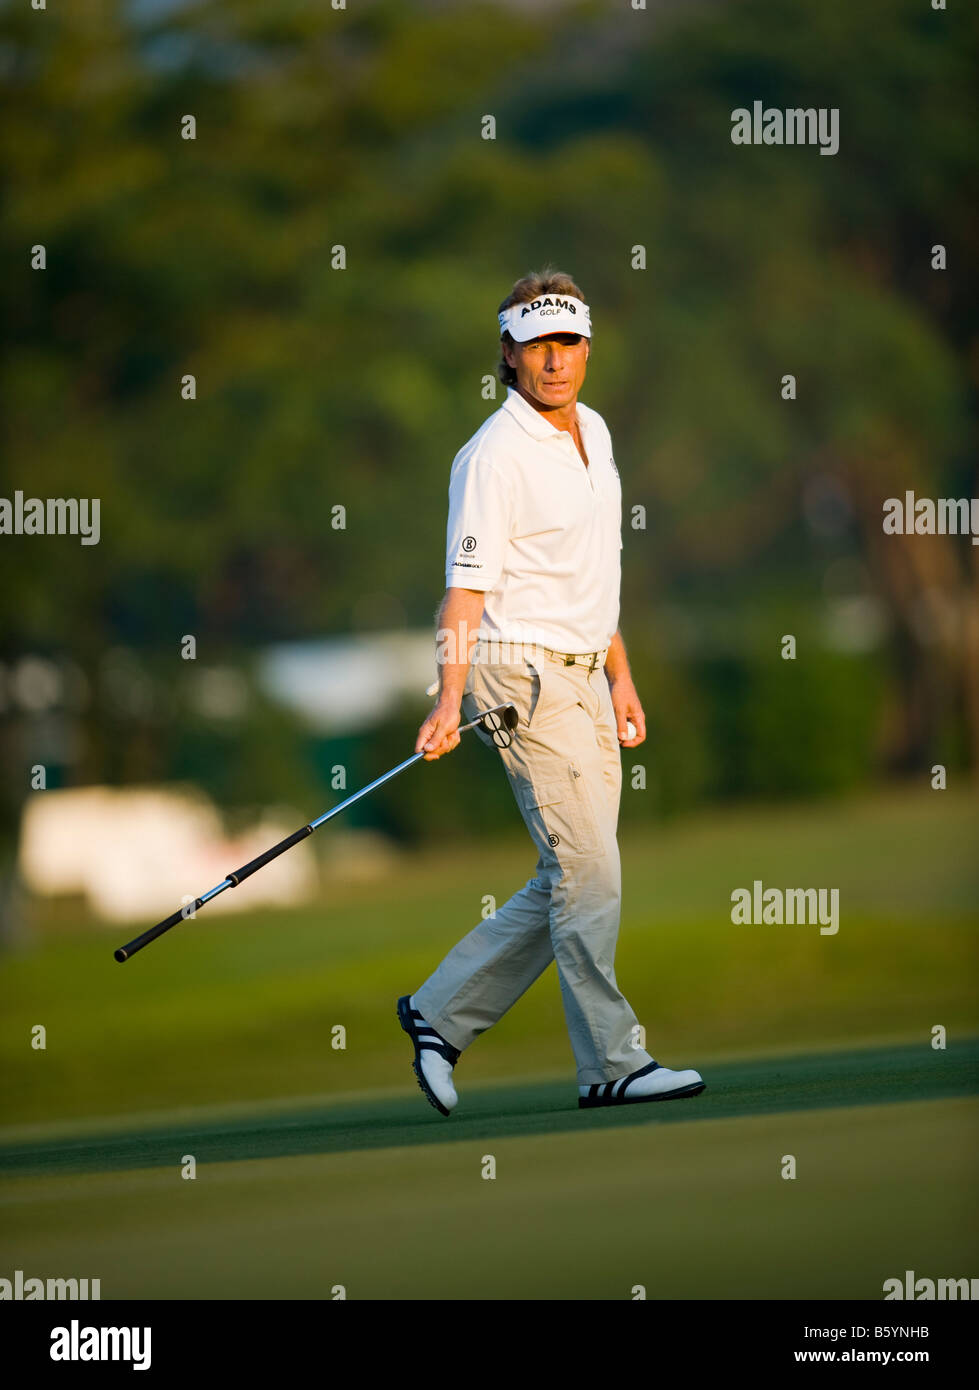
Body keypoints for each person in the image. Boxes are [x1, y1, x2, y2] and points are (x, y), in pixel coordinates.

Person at [398, 269, 705, 1115]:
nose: (555, 359)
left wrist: (620, 674)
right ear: (509, 352)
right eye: (537, 345)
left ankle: (437, 1014)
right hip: (518, 674)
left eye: (567, 342)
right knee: (589, 871)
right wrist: (447, 696)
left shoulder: (593, 433)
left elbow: (591, 575)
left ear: (587, 346)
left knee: (574, 871)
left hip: (585, 671)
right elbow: (463, 593)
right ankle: (611, 1062)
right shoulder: (492, 456)